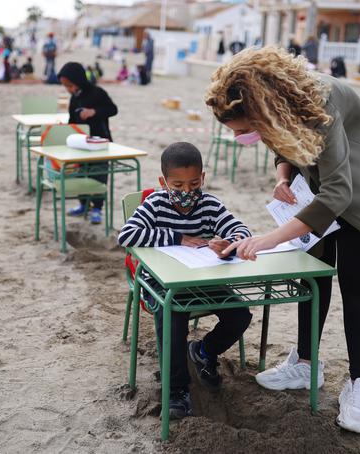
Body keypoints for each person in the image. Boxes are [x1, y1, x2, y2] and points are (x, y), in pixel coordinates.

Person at [205, 47, 360, 434]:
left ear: (262, 105)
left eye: (243, 129)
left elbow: (338, 193)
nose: (242, 137)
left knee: (356, 285)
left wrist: (271, 238)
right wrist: (283, 178)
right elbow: (282, 141)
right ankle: (306, 365)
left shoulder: (321, 100)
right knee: (314, 276)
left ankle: (359, 385)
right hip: (318, 189)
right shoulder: (277, 106)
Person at [118, 142, 253, 419]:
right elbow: (126, 236)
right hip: (160, 284)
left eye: (193, 184)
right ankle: (176, 389)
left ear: (202, 177)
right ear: (163, 182)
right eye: (177, 186)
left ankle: (204, 350)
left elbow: (240, 229)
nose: (186, 192)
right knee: (172, 317)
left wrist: (231, 241)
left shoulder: (210, 205)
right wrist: (176, 238)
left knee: (240, 314)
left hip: (200, 278)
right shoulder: (154, 204)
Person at [57, 62, 118, 224]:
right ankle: (83, 204)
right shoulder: (74, 98)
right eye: (65, 86)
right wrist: (67, 129)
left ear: (78, 79)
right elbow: (72, 119)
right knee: (81, 174)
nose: (68, 89)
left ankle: (97, 208)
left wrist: (94, 112)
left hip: (101, 144)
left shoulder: (97, 93)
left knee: (99, 176)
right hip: (80, 145)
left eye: (70, 85)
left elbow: (113, 109)